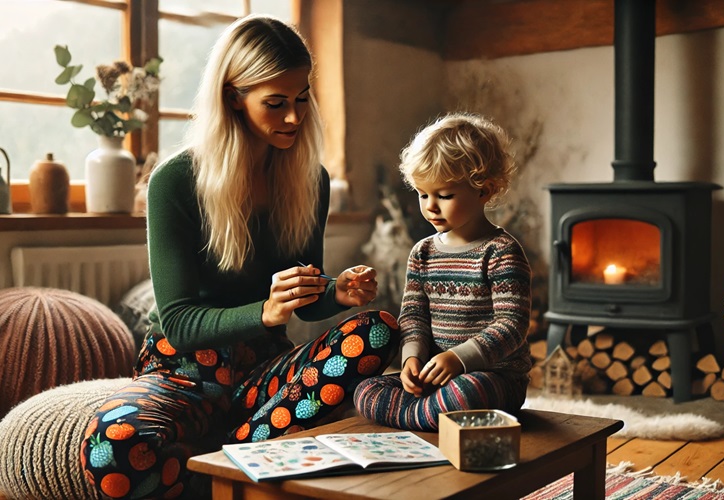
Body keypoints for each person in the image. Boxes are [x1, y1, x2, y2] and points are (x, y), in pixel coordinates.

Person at [82, 15, 399, 499]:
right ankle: (247, 461)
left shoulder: (309, 180)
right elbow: (180, 322)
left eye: (301, 98)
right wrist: (266, 311)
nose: (293, 117)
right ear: (233, 96)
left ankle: (231, 461)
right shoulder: (176, 182)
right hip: (181, 373)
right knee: (111, 449)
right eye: (275, 103)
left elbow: (308, 303)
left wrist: (336, 292)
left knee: (378, 329)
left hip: (263, 376)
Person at [353, 112, 532, 431]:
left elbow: (512, 325)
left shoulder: (501, 251)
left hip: (493, 378)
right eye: (423, 194)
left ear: (484, 190)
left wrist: (459, 359)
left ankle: (417, 416)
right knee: (365, 391)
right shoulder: (423, 252)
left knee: (467, 392)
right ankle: (429, 415)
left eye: (444, 195)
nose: (430, 206)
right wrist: (411, 359)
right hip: (433, 380)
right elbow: (414, 316)